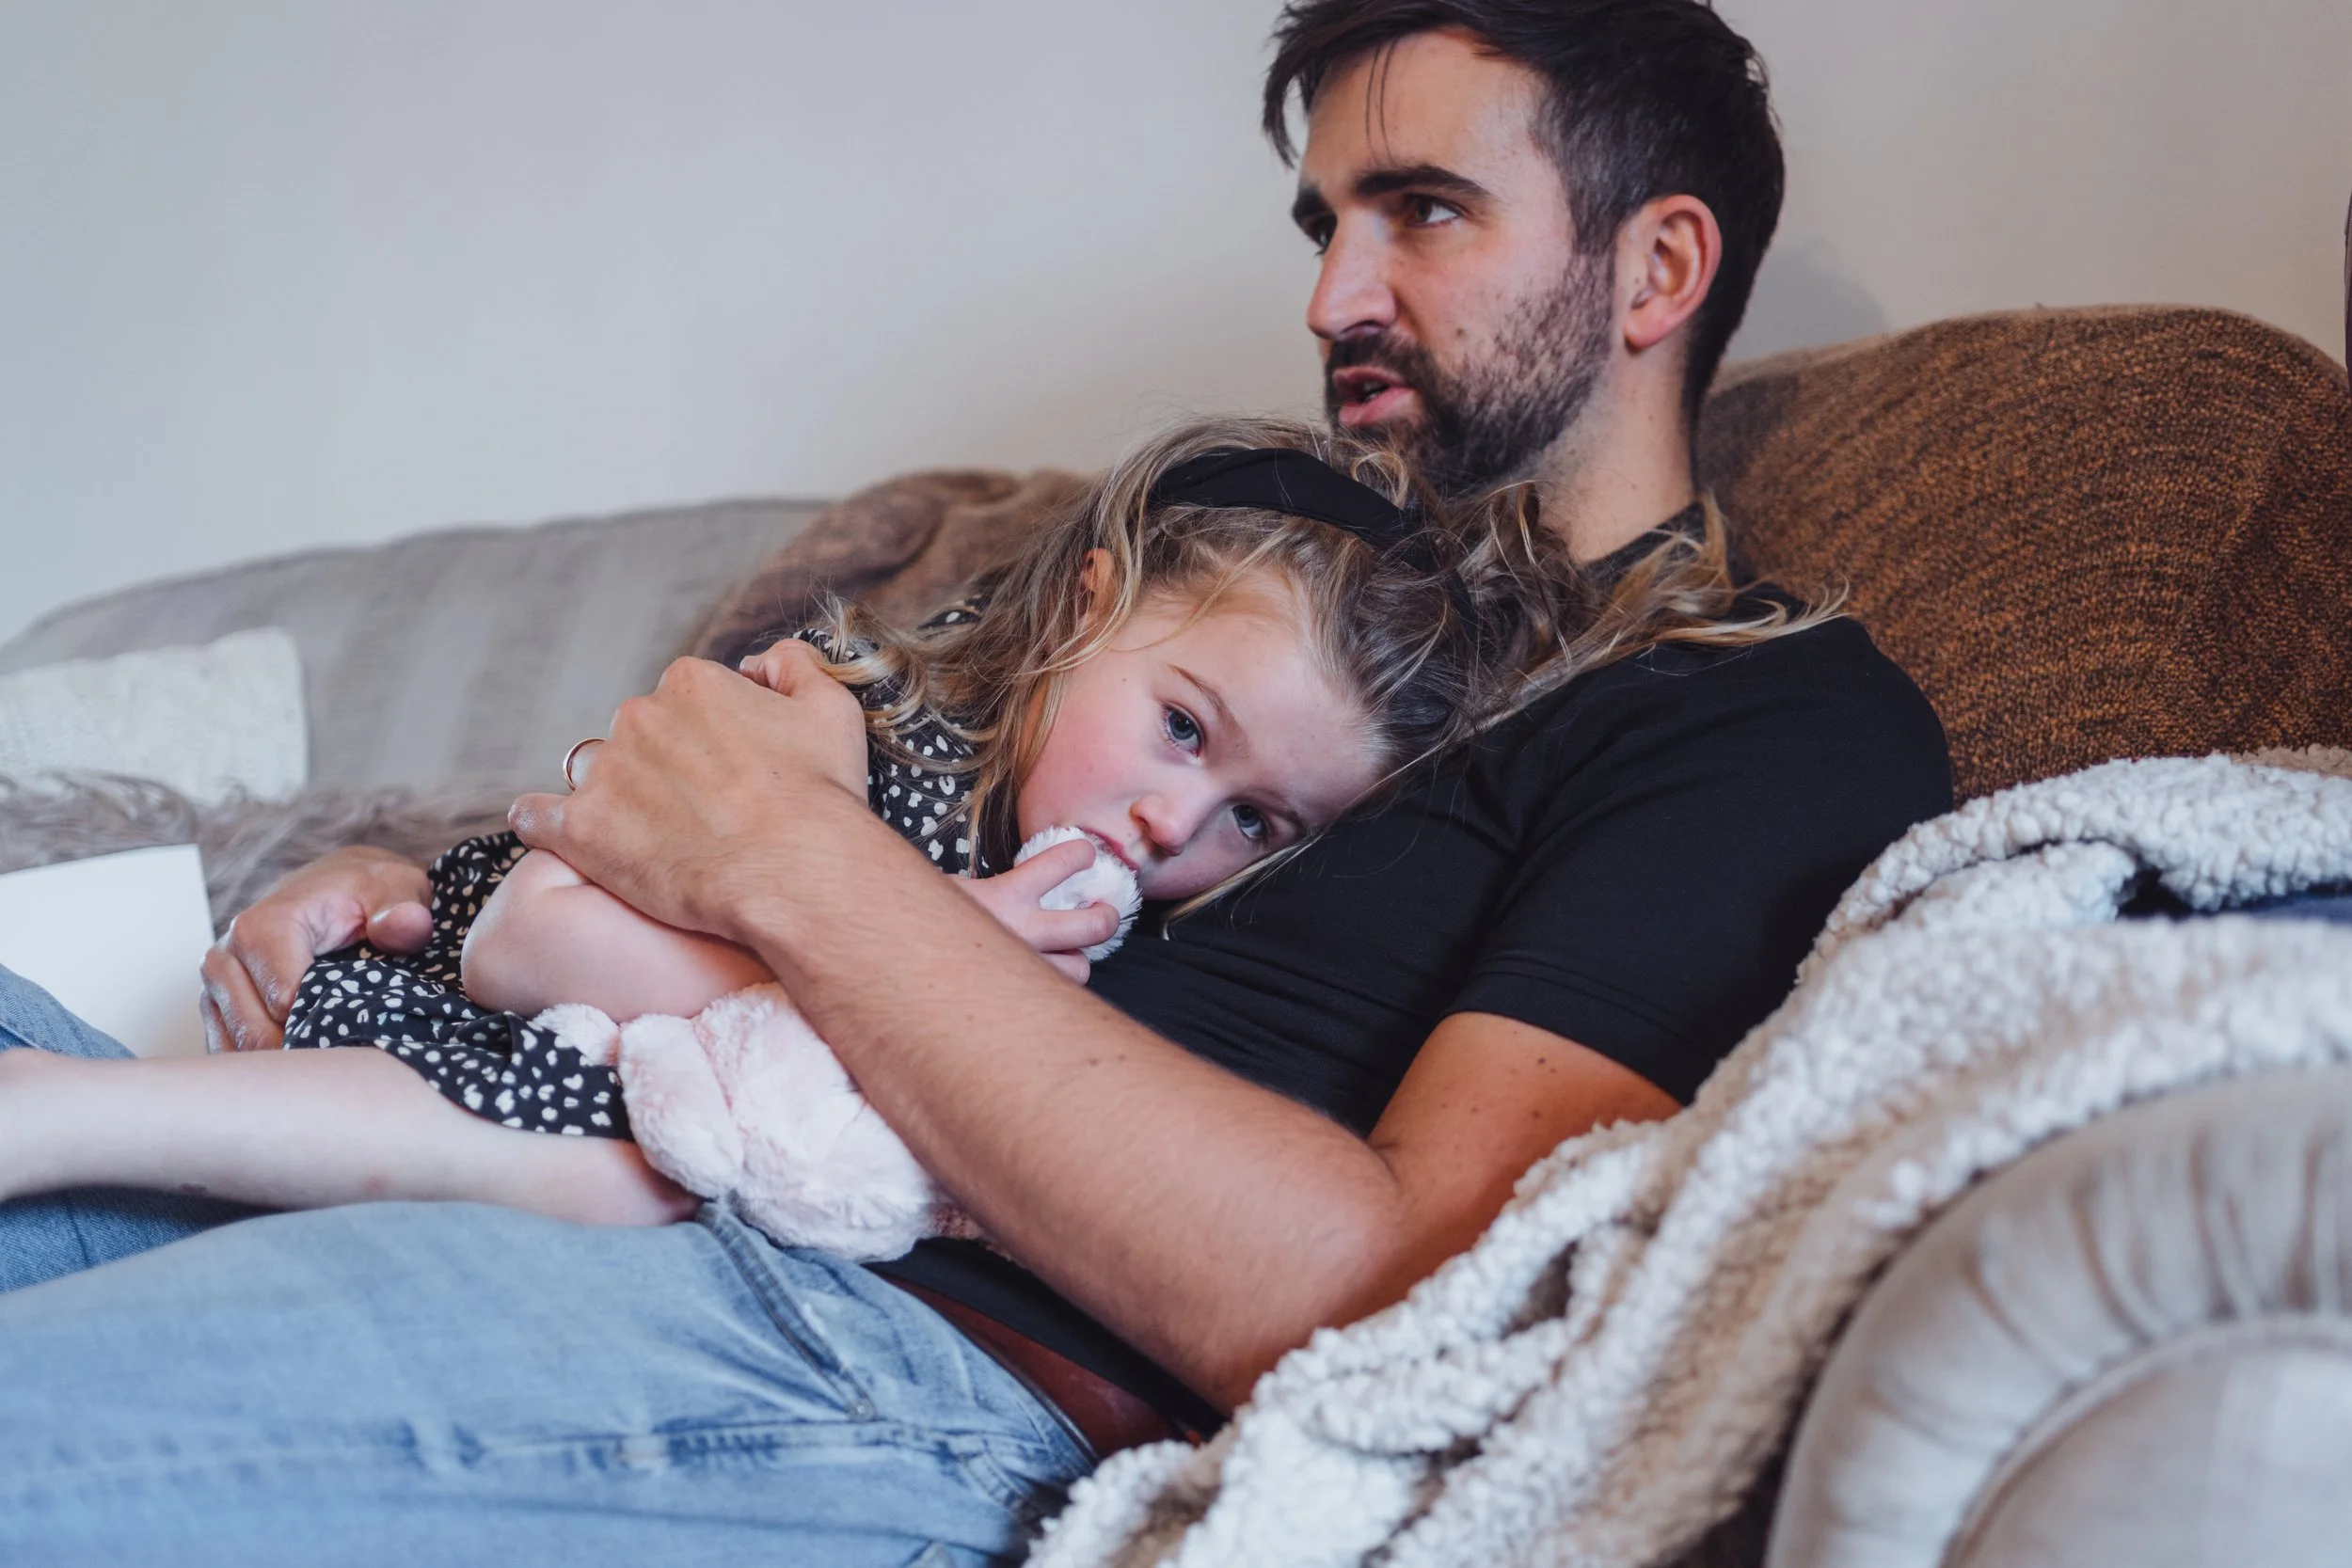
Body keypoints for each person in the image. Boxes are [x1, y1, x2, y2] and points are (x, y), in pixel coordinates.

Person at [0, 3, 1952, 1562]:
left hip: (870, 1342)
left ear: (1654, 265)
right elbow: (710, 788)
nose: (1332, 296)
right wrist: (386, 865)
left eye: (1422, 212)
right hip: (569, 1130)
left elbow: (1396, 1289)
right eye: (1322, 222)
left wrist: (776, 851)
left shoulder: (1756, 712)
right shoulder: (1239, 595)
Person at [0, 419, 1513, 1245]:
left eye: (1260, 818)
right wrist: (921, 970)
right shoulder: (854, 733)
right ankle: (68, 1110)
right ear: (1087, 604)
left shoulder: (1143, 948)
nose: (1175, 818)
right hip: (459, 1003)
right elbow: (534, 934)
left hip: (577, 1108)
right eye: (1183, 726)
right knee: (630, 1176)